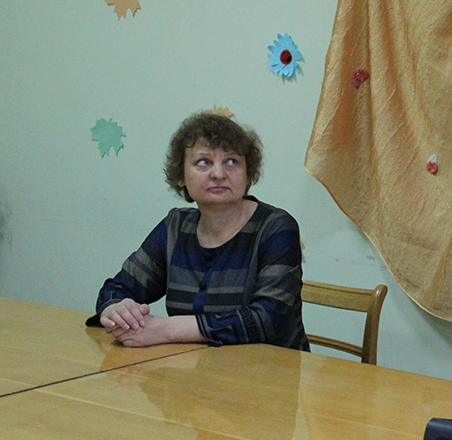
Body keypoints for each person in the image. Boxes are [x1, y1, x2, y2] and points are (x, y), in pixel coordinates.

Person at [88, 111, 309, 350]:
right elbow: (118, 288)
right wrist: (118, 310)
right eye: (204, 162)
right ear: (181, 175)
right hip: (193, 367)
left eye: (232, 162)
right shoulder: (175, 226)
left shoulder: (276, 228)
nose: (218, 174)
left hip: (270, 369)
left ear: (248, 174)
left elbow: (267, 318)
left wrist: (165, 329)